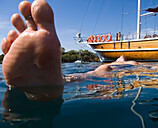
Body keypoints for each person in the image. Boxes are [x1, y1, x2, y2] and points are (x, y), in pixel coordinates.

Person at [1, 0, 139, 100]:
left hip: (105, 67)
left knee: (97, 71)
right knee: (129, 65)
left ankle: (58, 82)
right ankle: (57, 83)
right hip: (116, 67)